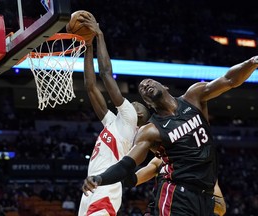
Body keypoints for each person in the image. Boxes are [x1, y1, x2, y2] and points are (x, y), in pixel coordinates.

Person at [82, 55, 258, 215]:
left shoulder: (194, 96)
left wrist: (252, 62)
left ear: (164, 86)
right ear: (148, 104)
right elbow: (127, 166)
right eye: (142, 89)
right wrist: (101, 178)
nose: (145, 85)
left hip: (204, 195)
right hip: (177, 195)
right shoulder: (151, 131)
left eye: (149, 81)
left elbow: (229, 80)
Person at [77, 13, 150, 216]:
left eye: (140, 105)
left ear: (140, 117)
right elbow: (91, 87)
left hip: (106, 191)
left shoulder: (130, 119)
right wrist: (88, 46)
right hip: (92, 187)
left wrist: (99, 35)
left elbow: (106, 74)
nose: (135, 102)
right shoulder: (114, 122)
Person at [124, 157, 226, 216]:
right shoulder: (161, 160)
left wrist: (190, 196)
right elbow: (132, 181)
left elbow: (221, 208)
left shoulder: (204, 169)